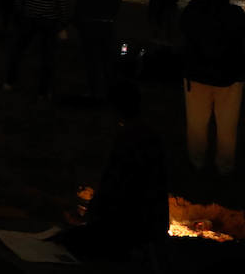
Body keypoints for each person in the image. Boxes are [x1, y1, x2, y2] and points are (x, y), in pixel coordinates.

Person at [56, 80, 169, 261]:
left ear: (114, 109)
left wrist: (91, 218)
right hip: (150, 224)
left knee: (67, 241)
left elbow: (116, 189)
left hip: (130, 228)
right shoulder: (148, 134)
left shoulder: (129, 139)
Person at [180, 0, 245, 174]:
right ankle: (224, 166)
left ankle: (197, 162)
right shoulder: (235, 13)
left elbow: (183, 27)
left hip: (196, 77)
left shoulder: (194, 9)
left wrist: (198, 0)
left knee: (196, 124)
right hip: (229, 79)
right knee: (227, 127)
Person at [4, 0, 66, 97]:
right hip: (48, 20)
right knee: (47, 56)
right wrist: (61, 23)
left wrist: (19, 13)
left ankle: (9, 81)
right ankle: (43, 90)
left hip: (29, 16)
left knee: (18, 50)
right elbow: (61, 2)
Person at [75, 0, 121, 100]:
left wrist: (80, 21)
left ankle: (93, 90)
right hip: (105, 25)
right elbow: (117, 2)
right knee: (106, 59)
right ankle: (109, 90)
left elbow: (80, 3)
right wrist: (110, 16)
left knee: (91, 61)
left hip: (90, 24)